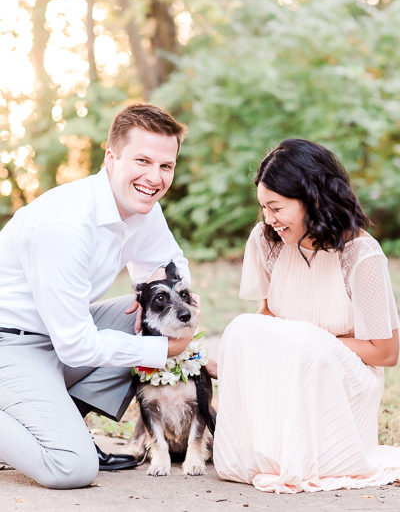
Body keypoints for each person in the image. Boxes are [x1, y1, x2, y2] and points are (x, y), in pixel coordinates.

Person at [0, 103, 195, 489]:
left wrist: (173, 302)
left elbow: (173, 268)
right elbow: (74, 346)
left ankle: (56, 422)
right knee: (72, 467)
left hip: (56, 337)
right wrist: (163, 350)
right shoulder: (65, 225)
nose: (154, 178)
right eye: (142, 160)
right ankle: (51, 437)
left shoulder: (142, 208)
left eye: (165, 166)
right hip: (11, 343)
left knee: (154, 318)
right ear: (111, 157)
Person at [213, 138, 400, 493]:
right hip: (288, 368)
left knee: (302, 342)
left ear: (312, 198)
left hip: (343, 379)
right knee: (240, 329)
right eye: (264, 207)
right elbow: (266, 316)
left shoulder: (361, 254)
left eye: (277, 208)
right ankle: (256, 443)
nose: (269, 219)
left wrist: (311, 342)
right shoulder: (266, 240)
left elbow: (386, 353)